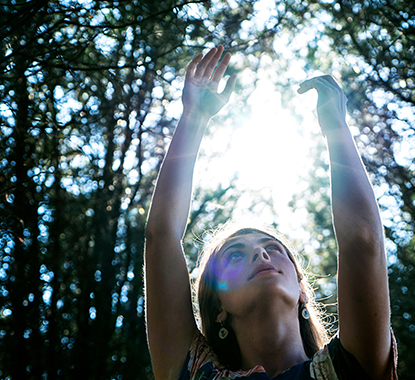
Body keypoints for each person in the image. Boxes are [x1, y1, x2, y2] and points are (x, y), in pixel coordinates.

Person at [144, 45, 397, 380]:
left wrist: (336, 128)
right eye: (235, 256)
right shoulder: (193, 374)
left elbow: (363, 240)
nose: (261, 253)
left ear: (303, 290)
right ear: (218, 308)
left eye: (274, 249)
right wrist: (194, 117)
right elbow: (160, 234)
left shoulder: (349, 368)